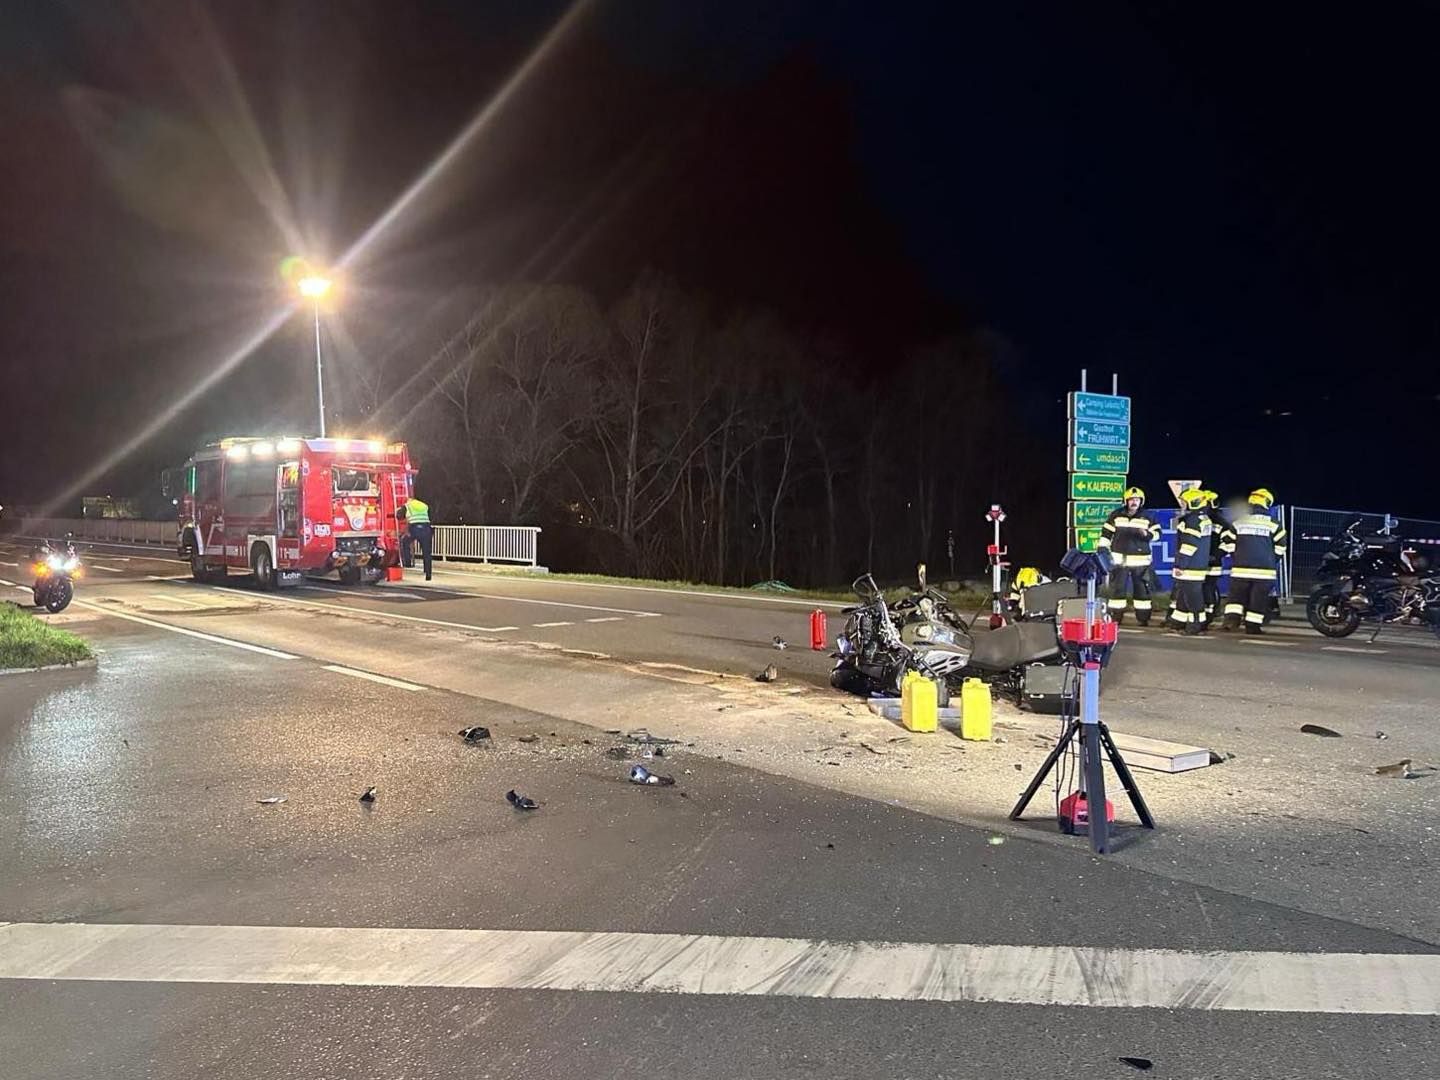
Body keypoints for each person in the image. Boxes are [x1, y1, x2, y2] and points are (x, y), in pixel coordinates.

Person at [1223, 488, 1287, 634]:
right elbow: (1281, 547)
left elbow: (1228, 542)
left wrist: (1236, 556)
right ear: (1267, 502)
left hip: (1241, 569)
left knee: (1236, 597)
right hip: (1265, 572)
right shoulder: (1275, 524)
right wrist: (1271, 560)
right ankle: (1252, 627)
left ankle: (1231, 622)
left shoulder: (1239, 521)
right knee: (1258, 600)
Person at [1096, 487, 1160, 625]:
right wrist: (1102, 548)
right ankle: (1115, 618)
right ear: (1126, 501)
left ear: (1141, 501)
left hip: (1140, 562)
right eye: (1131, 500)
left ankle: (1143, 619)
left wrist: (1147, 534)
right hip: (1119, 561)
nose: (1134, 502)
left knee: (1142, 592)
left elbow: (1157, 534)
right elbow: (1106, 533)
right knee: (1117, 591)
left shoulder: (1148, 516)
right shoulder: (1116, 515)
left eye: (1137, 500)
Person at [1169, 488, 1213, 635]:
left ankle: (1195, 625)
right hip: (1197, 564)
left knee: (1193, 598)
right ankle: (1178, 623)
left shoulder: (1192, 521)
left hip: (1190, 567)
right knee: (1184, 596)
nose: (1183, 505)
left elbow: (1189, 545)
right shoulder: (1203, 519)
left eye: (1185, 502)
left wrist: (1180, 565)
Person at [1201, 490, 1236, 623]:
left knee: (1209, 587)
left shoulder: (1221, 522)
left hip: (1212, 563)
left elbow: (1229, 543)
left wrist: (1215, 556)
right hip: (1198, 562)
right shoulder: (1200, 520)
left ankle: (1211, 613)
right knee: (1203, 588)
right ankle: (1209, 612)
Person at [395, 494, 434, 580]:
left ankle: (408, 562)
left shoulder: (407, 505)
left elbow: (399, 516)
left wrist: (398, 511)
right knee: (427, 552)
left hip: (414, 528)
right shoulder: (424, 505)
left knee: (405, 541)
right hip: (426, 528)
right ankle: (428, 573)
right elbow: (431, 516)